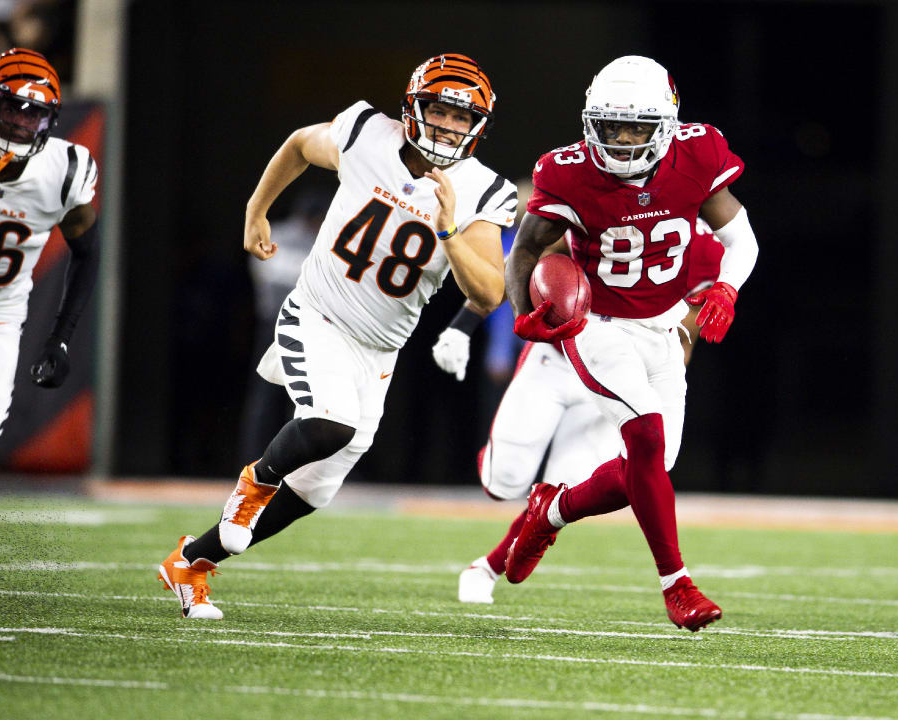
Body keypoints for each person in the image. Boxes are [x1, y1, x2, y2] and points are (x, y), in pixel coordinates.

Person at [157, 53, 515, 619]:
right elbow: (301, 143)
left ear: (480, 127)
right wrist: (256, 209)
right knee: (329, 422)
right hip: (319, 313)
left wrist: (448, 228)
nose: (449, 126)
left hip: (380, 349)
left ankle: (191, 562)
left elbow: (491, 291)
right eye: (439, 111)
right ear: (413, 109)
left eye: (461, 117)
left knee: (317, 488)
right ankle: (254, 483)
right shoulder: (366, 132)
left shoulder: (483, 190)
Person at [501, 56, 758, 631]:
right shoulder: (565, 171)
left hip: (663, 325)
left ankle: (553, 509)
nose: (620, 139)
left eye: (635, 127)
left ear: (665, 123)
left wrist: (725, 291)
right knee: (645, 436)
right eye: (610, 125)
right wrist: (524, 315)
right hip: (597, 323)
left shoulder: (699, 152)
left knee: (649, 469)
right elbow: (524, 249)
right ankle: (678, 586)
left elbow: (741, 239)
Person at [445, 221, 723, 604]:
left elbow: (683, 339)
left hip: (616, 379)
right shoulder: (609, 207)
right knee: (503, 482)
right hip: (556, 361)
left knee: (566, 492)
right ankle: (498, 466)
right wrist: (465, 324)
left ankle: (487, 567)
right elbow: (521, 260)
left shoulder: (704, 245)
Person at [0, 48, 98, 455]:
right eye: (12, 108)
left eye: (32, 113)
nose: (20, 122)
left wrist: (61, 337)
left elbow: (87, 253)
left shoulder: (64, 169)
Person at [236, 187, 328, 463]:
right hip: (276, 323)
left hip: (313, 327)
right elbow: (271, 274)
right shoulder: (280, 234)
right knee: (265, 396)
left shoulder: (323, 239)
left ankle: (296, 463)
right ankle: (252, 459)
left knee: (308, 398)